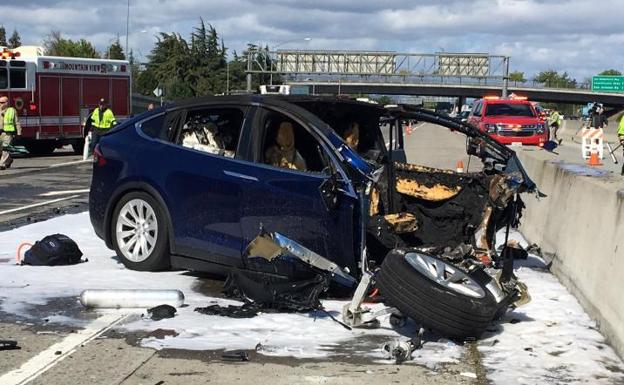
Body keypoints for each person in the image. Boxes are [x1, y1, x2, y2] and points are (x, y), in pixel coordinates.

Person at [0, 95, 19, 170]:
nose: (0, 104)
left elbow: (17, 122)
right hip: (0, 133)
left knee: (5, 149)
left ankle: (2, 164)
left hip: (8, 133)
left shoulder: (12, 111)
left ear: (6, 103)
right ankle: (9, 160)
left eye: (2, 102)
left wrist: (18, 133)